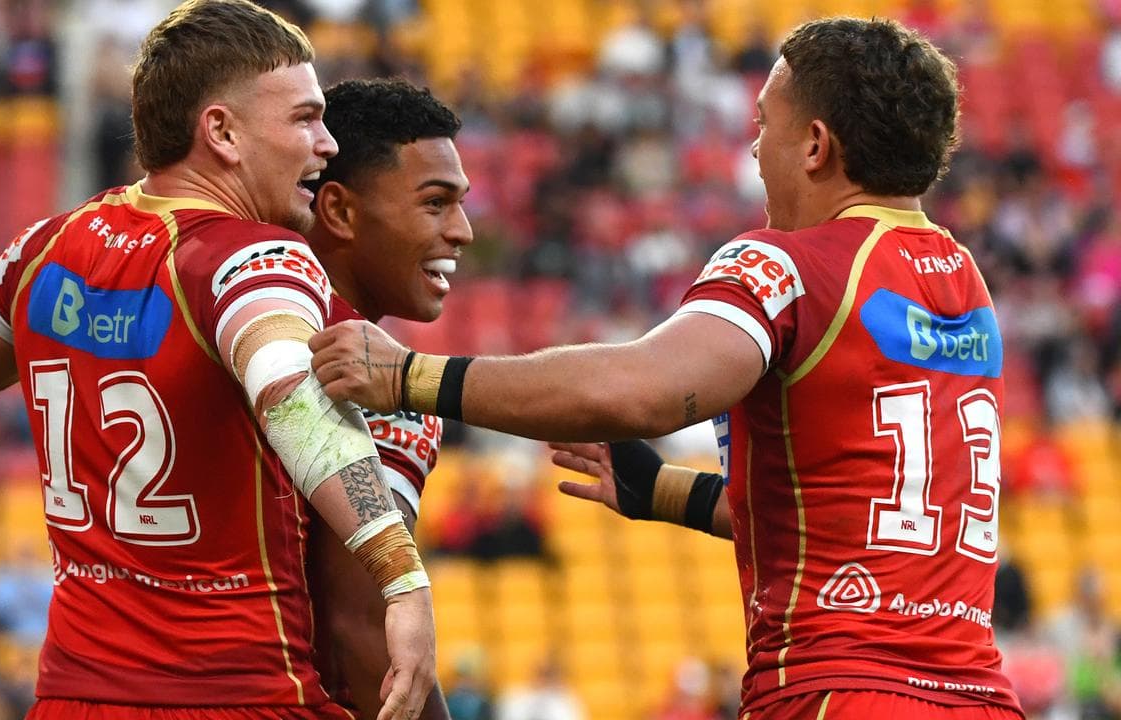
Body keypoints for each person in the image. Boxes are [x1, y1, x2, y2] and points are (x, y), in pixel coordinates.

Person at [308, 17, 1024, 720]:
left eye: (763, 123)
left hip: (840, 691)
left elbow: (641, 392)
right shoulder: (965, 286)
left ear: (814, 145)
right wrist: (660, 489)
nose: (754, 148)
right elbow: (850, 510)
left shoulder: (787, 264)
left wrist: (410, 376)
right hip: (983, 695)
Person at [0, 2, 437, 719]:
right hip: (237, 696)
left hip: (73, 696)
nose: (327, 144)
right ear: (221, 132)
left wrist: (88, 327)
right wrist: (400, 572)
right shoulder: (253, 257)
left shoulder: (48, 245)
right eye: (305, 119)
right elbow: (288, 390)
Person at [304, 77, 471, 720]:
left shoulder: (237, 321)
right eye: (435, 203)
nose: (462, 231)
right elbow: (367, 624)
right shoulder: (369, 378)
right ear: (340, 211)